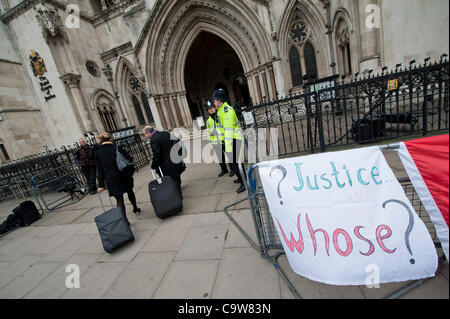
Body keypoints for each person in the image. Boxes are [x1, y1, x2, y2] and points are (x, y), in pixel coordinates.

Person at [96, 132, 141, 225]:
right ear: (110, 139)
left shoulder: (98, 153)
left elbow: (99, 169)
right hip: (123, 175)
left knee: (119, 200)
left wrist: (100, 185)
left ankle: (125, 221)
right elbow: (129, 158)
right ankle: (135, 208)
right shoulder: (117, 147)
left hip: (111, 179)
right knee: (130, 191)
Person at [213, 88, 245, 193]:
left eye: (215, 100)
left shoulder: (226, 111)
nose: (214, 102)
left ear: (219, 100)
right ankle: (241, 179)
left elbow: (228, 131)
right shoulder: (221, 110)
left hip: (233, 140)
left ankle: (244, 184)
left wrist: (228, 147)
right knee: (235, 163)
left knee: (235, 164)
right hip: (231, 140)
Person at [143, 126, 185, 199]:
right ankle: (179, 193)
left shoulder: (154, 139)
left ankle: (178, 197)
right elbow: (177, 141)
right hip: (174, 158)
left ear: (148, 133)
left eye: (145, 134)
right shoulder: (165, 133)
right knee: (176, 177)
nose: (145, 136)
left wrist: (153, 165)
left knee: (171, 180)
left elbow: (156, 154)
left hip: (166, 163)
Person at [205, 100, 234, 178]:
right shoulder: (208, 121)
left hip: (223, 140)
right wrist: (211, 140)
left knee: (229, 155)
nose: (211, 110)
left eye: (212, 108)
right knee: (220, 158)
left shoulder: (220, 115)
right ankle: (224, 170)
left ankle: (232, 169)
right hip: (216, 142)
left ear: (215, 108)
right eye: (209, 109)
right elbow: (208, 132)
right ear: (208, 111)